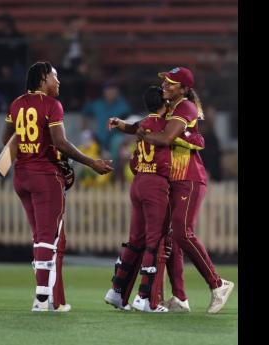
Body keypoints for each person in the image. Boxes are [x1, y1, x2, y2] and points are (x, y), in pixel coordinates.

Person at [1, 61, 113, 312]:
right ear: (43, 78)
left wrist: (32, 145)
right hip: (44, 177)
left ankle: (51, 298)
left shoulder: (16, 104)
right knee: (47, 239)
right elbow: (61, 142)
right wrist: (91, 162)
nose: (58, 81)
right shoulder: (52, 105)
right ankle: (42, 299)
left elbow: (6, 140)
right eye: (55, 77)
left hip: (21, 177)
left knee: (40, 237)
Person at [138, 67, 234, 314]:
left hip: (189, 178)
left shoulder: (185, 108)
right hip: (173, 179)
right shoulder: (172, 108)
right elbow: (179, 136)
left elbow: (167, 138)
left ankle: (218, 284)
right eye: (165, 82)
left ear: (183, 88)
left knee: (181, 232)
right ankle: (180, 297)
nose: (165, 87)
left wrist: (147, 135)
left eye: (170, 83)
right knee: (171, 238)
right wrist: (125, 126)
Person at [104, 86, 205, 312]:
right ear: (166, 104)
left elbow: (133, 155)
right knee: (154, 242)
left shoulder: (143, 124)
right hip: (156, 186)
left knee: (135, 240)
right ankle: (145, 298)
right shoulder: (164, 126)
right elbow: (194, 142)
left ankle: (116, 292)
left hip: (138, 182)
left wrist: (122, 126)